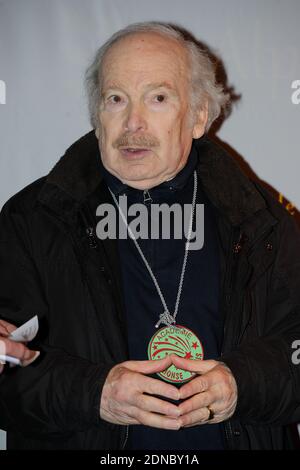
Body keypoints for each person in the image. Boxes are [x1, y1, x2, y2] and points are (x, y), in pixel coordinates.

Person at [0, 21, 299, 450]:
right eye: (116, 99)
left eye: (158, 98)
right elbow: (8, 377)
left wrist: (241, 385)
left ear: (198, 116)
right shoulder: (30, 221)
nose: (133, 122)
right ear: (97, 115)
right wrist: (95, 394)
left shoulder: (260, 220)